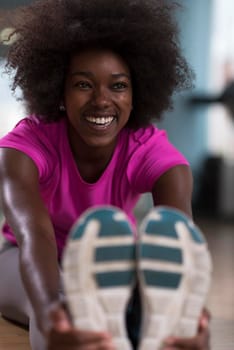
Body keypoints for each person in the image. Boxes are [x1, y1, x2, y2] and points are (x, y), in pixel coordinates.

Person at [0, 0, 210, 349]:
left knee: (134, 300)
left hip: (109, 260)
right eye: (83, 85)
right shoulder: (26, 145)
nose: (101, 100)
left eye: (118, 86)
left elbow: (176, 244)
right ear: (60, 93)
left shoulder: (150, 150)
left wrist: (186, 309)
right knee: (66, 308)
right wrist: (53, 310)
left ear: (135, 93)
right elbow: (35, 237)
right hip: (23, 259)